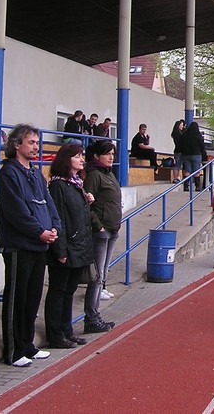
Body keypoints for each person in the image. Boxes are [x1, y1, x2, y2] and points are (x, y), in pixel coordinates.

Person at [0, 123, 61, 367]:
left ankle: (27, 344)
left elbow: (48, 203)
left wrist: (54, 228)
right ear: (17, 145)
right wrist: (39, 232)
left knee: (32, 299)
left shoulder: (36, 173)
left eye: (37, 142)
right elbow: (16, 212)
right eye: (31, 142)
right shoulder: (8, 174)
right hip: (19, 246)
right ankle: (13, 351)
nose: (36, 147)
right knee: (17, 299)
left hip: (39, 246)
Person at [45, 144, 95, 349]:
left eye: (81, 156)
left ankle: (67, 330)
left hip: (79, 246)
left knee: (69, 290)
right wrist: (60, 250)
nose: (81, 159)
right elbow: (58, 219)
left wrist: (87, 201)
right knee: (58, 290)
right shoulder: (58, 185)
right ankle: (55, 334)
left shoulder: (76, 184)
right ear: (66, 160)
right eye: (77, 156)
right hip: (67, 247)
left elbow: (77, 215)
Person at [83, 140, 121, 332]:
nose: (111, 157)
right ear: (97, 156)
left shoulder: (109, 174)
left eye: (113, 154)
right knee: (97, 276)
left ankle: (95, 315)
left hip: (112, 229)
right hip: (102, 231)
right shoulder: (94, 176)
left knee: (103, 274)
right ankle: (91, 317)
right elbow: (87, 204)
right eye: (107, 154)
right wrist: (98, 226)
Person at [179, 121, 207, 191]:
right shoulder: (198, 136)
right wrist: (203, 155)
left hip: (186, 155)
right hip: (196, 155)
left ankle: (186, 186)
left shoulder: (185, 135)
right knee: (196, 171)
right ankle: (197, 187)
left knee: (187, 170)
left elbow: (181, 145)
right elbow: (202, 146)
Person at [170, 119, 185, 183]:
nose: (182, 126)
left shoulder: (175, 133)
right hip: (179, 151)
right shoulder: (178, 134)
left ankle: (177, 177)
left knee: (178, 165)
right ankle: (176, 178)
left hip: (177, 150)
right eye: (181, 125)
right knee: (178, 165)